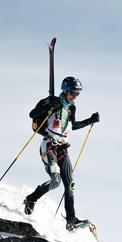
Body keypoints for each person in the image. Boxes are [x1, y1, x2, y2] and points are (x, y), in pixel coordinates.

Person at [23, 76, 100, 230]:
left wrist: (89, 121)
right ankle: (31, 199)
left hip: (62, 148)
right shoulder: (51, 101)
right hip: (48, 145)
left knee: (70, 184)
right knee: (55, 182)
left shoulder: (72, 108)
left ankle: (71, 220)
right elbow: (32, 114)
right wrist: (50, 108)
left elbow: (70, 126)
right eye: (73, 93)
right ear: (65, 91)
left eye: (78, 94)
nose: (75, 97)